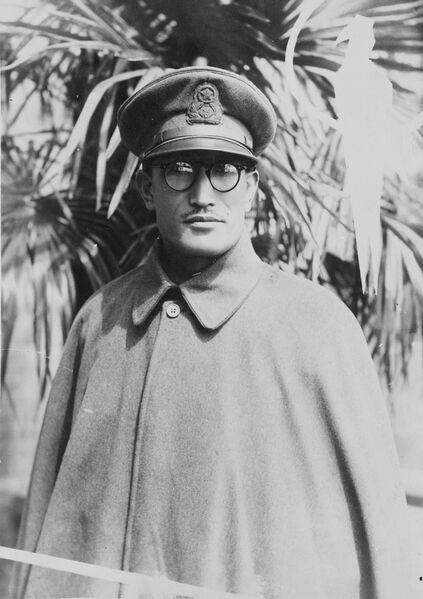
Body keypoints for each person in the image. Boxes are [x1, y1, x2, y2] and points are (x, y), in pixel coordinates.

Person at [11, 66, 411, 599]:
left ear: (252, 188)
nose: (203, 194)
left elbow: (380, 538)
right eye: (178, 170)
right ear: (147, 188)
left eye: (225, 170)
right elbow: (50, 526)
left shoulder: (318, 328)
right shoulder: (100, 321)